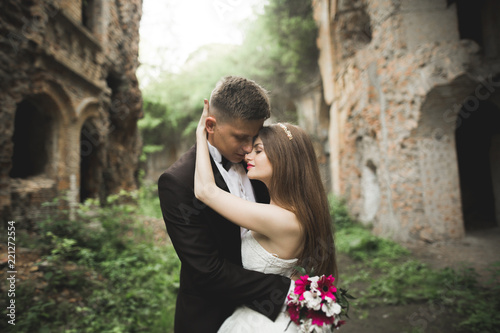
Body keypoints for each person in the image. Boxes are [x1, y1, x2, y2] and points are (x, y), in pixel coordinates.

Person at [158, 76, 293, 333]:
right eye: (241, 137)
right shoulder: (177, 182)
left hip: (270, 320)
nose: (247, 149)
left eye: (255, 137)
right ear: (210, 124)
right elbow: (207, 270)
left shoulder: (261, 163)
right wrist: (286, 290)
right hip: (210, 316)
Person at [194, 99, 338, 332]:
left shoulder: (281, 220)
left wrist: (201, 134)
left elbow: (205, 191)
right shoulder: (288, 210)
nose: (248, 153)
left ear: (283, 160)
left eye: (258, 150)